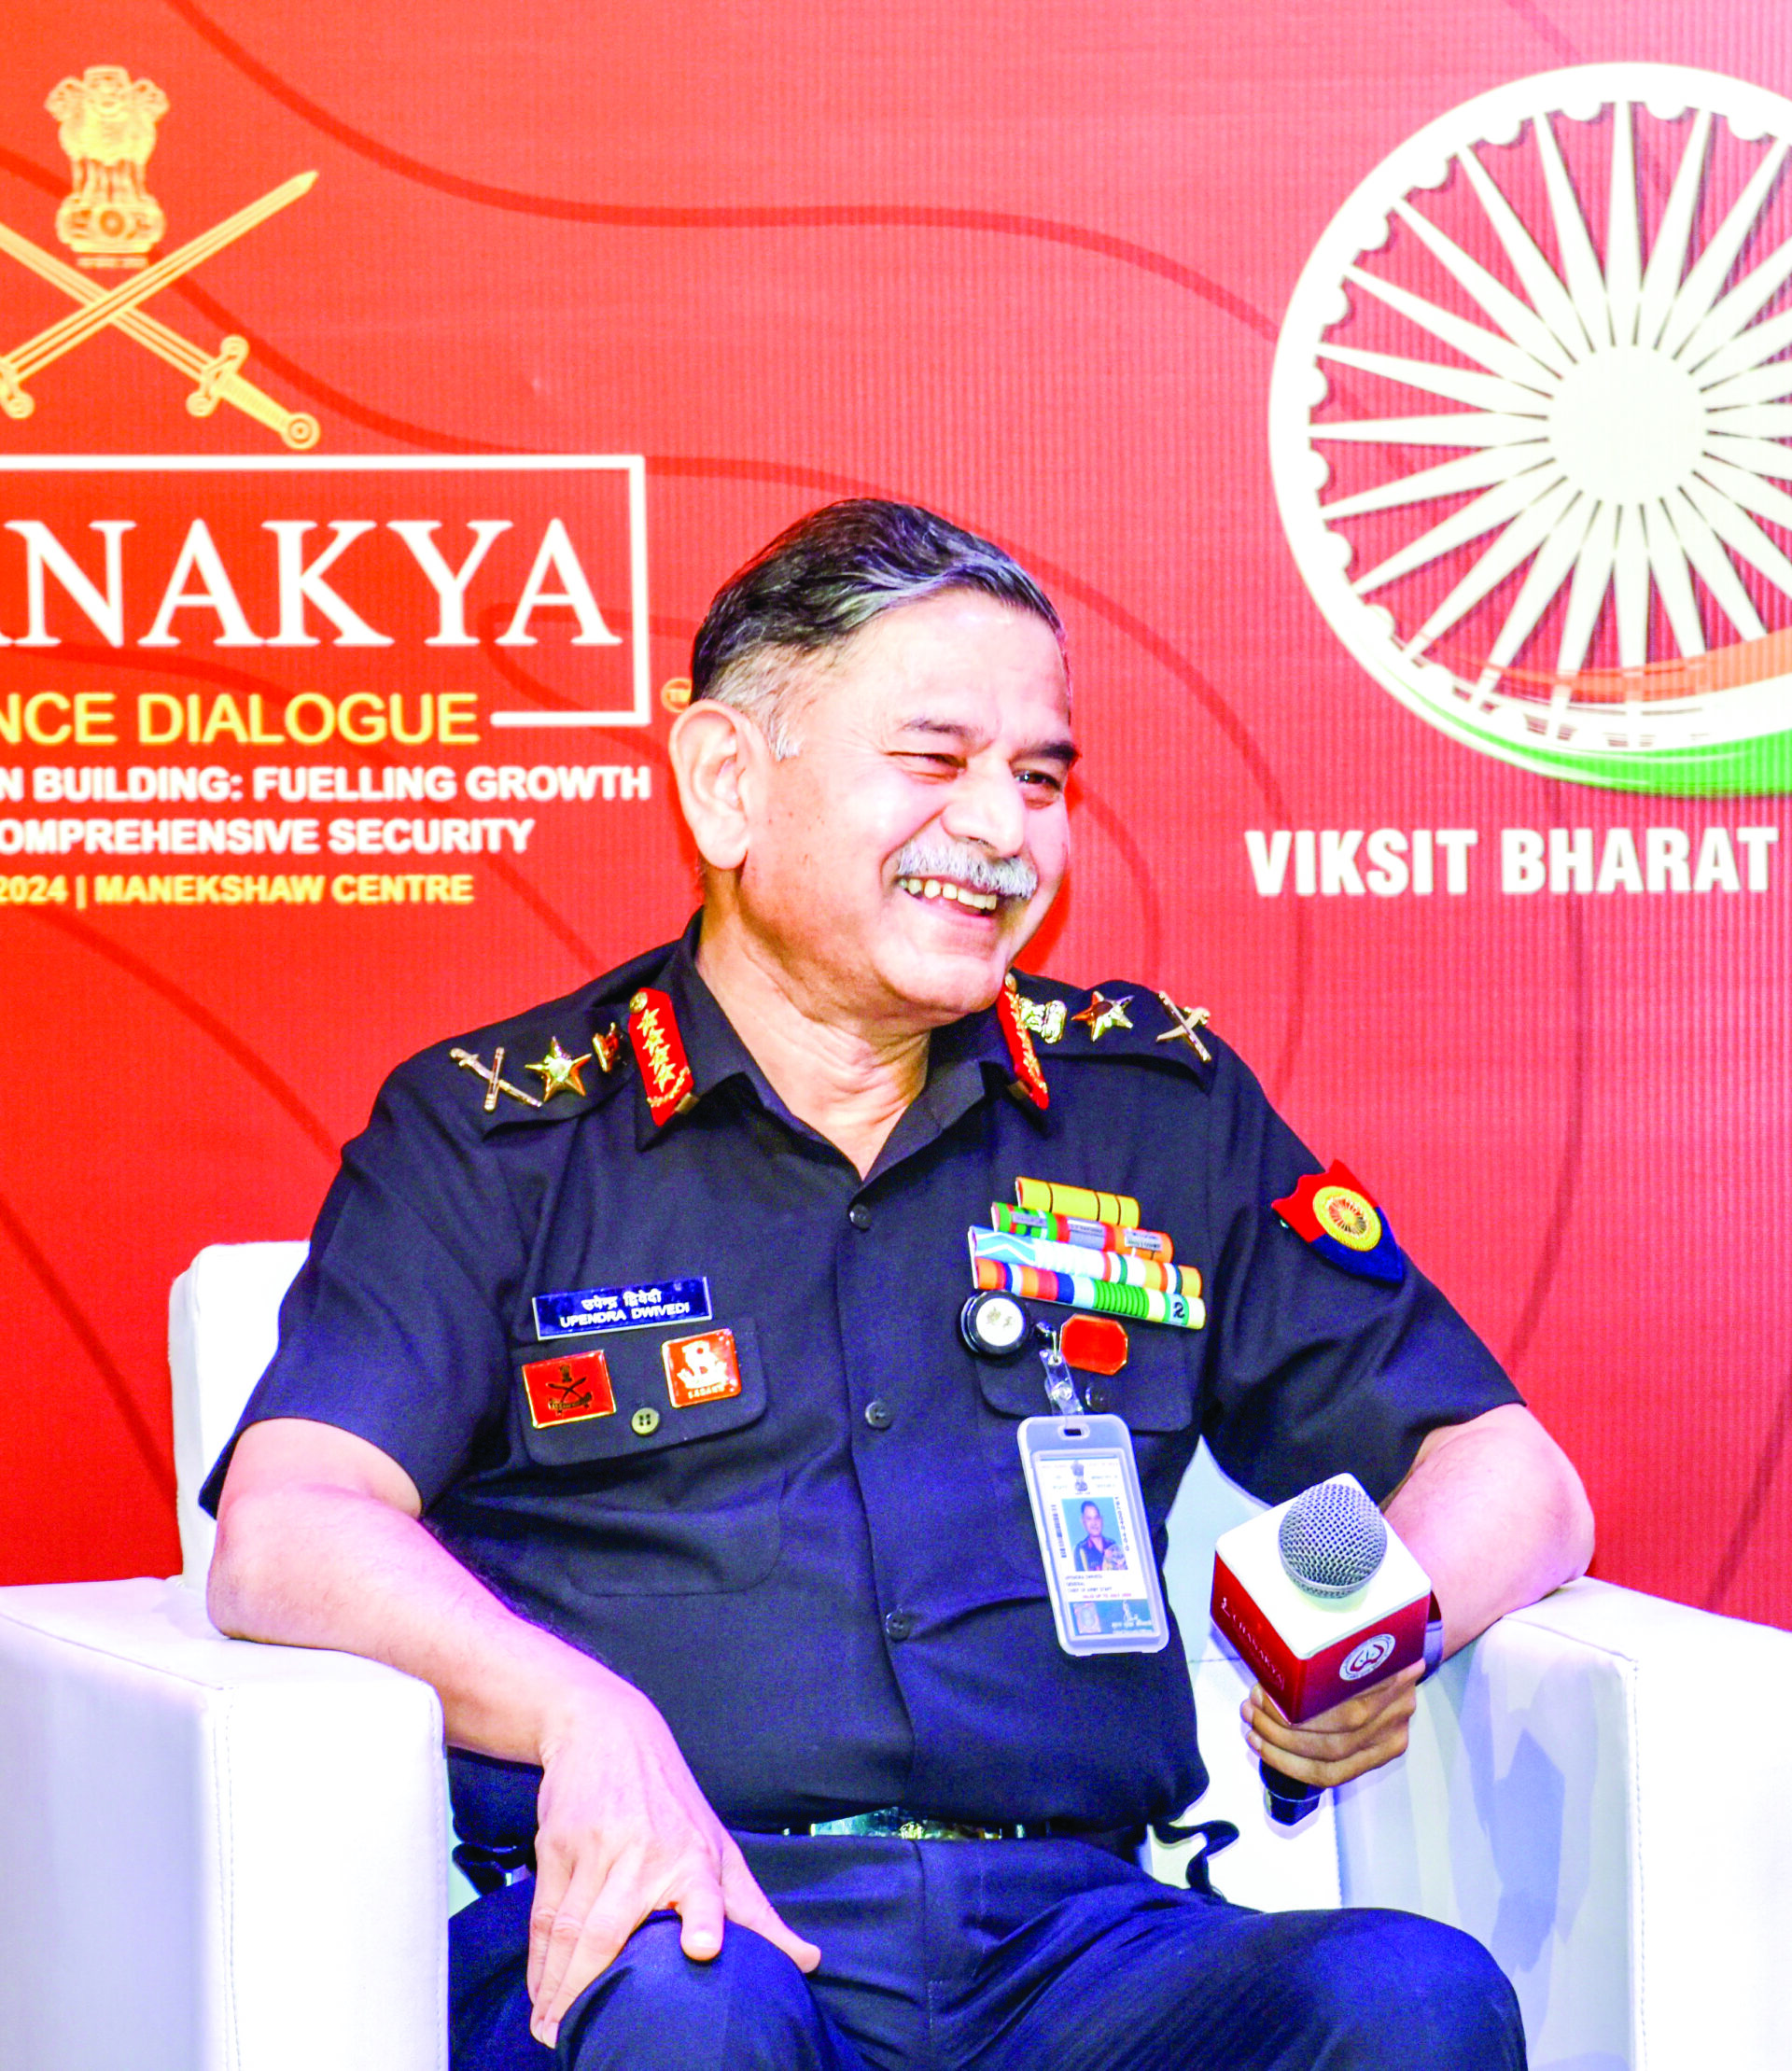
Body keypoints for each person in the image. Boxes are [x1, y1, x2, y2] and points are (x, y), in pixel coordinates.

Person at [204, 498, 1594, 2070]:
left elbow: (1511, 1473)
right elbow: (291, 1522)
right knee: (688, 2016)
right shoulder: (500, 1131)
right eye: (935, 761)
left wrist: (1365, 1636)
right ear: (727, 780)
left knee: (1412, 1995)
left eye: (1041, 776)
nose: (1003, 829)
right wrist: (584, 1713)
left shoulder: (1157, 1106)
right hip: (678, 1915)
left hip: (1073, 1942)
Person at [1072, 1501, 1123, 1572]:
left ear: (1101, 1520)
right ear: (1083, 1522)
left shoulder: (1112, 1545)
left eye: (1096, 1518)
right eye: (1089, 1519)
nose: (1094, 1523)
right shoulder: (1081, 1549)